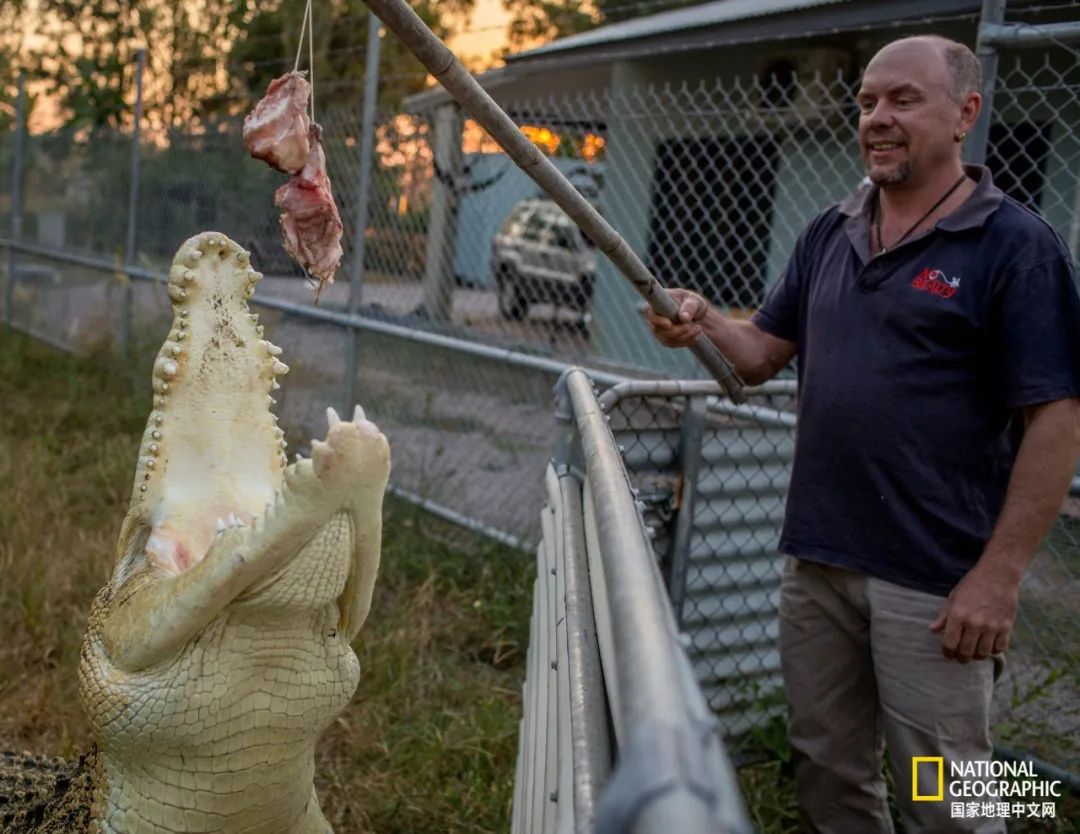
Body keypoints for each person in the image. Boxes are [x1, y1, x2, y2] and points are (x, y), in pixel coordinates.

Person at [645, 36, 1080, 834]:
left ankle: (1040, 809)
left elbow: (1055, 417)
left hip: (937, 581)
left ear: (965, 115)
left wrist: (1000, 577)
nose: (878, 118)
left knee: (949, 797)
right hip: (819, 560)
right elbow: (761, 355)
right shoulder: (830, 230)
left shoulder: (1014, 246)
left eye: (904, 100)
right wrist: (703, 322)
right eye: (868, 102)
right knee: (827, 767)